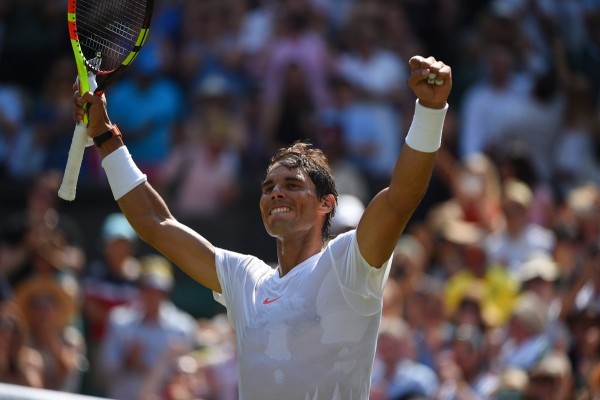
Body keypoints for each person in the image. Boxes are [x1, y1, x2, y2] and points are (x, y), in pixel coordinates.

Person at [73, 54, 451, 399]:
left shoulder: (348, 262)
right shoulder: (245, 279)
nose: (275, 194)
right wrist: (106, 136)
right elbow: (155, 223)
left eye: (292, 185)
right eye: (268, 187)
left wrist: (430, 111)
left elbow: (400, 199)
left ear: (326, 204)